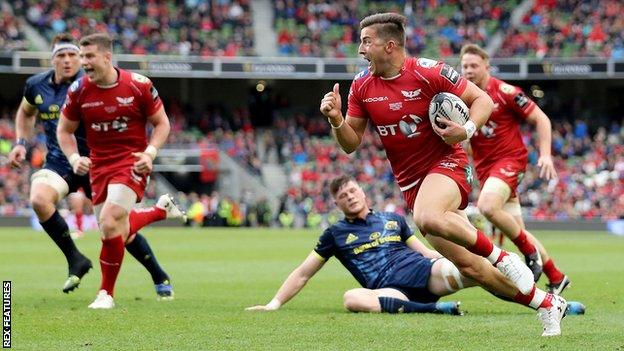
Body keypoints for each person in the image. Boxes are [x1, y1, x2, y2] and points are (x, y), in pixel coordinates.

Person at [319, 13, 566, 336]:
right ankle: (546, 304)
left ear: (390, 46)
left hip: (448, 165)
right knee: (473, 269)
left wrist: (465, 130)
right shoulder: (362, 87)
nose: (360, 48)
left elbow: (483, 100)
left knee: (427, 217)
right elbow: (350, 144)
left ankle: (503, 256)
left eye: (367, 41)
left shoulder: (428, 71)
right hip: (411, 184)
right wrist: (337, 119)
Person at [246, 176, 586, 317]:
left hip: (425, 275)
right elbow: (304, 272)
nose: (349, 197)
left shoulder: (393, 219)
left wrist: (447, 258)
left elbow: (425, 251)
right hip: (390, 292)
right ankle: (435, 311)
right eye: (342, 196)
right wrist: (274, 304)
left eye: (352, 190)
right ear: (337, 203)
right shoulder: (335, 234)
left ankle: (552, 303)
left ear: (361, 192)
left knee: (477, 269)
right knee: (351, 298)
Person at [57, 33, 185, 309]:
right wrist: (74, 156)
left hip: (133, 161)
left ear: (107, 56)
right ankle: (161, 211)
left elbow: (162, 124)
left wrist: (150, 153)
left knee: (111, 218)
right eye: (82, 56)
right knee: (114, 230)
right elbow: (64, 130)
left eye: (89, 56)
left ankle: (106, 294)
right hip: (99, 165)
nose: (84, 62)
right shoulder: (78, 90)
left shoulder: (138, 85)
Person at [459, 44, 569, 294]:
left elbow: (541, 118)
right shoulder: (462, 99)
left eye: (474, 65)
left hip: (510, 161)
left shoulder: (506, 91)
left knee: (487, 207)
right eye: (464, 66)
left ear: (486, 66)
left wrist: (545, 155)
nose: (468, 70)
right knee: (518, 229)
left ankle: (529, 253)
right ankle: (556, 276)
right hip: (487, 170)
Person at [7, 34, 93, 293]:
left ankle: (159, 277)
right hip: (59, 161)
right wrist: (21, 142)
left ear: (80, 58)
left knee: (119, 228)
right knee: (39, 200)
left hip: (94, 162)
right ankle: (76, 259)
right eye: (61, 56)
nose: (67, 61)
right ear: (52, 58)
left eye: (72, 55)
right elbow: (25, 112)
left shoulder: (90, 83)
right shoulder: (36, 85)